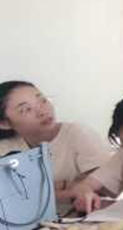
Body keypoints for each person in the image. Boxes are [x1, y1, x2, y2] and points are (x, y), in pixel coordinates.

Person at [0, 81, 110, 210]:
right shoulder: (5, 148)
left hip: (82, 218)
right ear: (4, 123)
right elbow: (10, 199)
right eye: (26, 109)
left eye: (43, 101)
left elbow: (101, 189)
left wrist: (41, 190)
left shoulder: (78, 134)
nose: (42, 111)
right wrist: (67, 187)